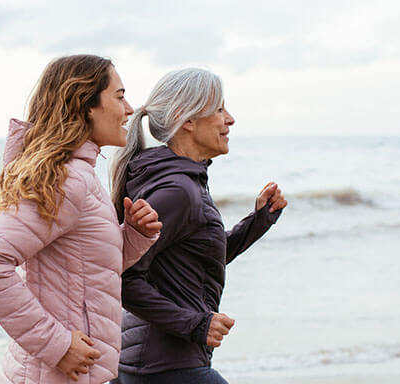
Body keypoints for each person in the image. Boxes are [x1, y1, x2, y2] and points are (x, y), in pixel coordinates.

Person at [0, 54, 162, 384]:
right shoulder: (68, 180)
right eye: (119, 96)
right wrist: (55, 344)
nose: (129, 109)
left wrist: (134, 236)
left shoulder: (80, 175)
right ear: (86, 105)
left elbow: (85, 272)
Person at [109, 68, 287, 384]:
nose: (229, 119)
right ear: (187, 119)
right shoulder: (177, 191)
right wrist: (195, 324)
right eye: (219, 108)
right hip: (164, 367)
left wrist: (257, 222)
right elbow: (119, 275)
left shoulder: (183, 182)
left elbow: (194, 261)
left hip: (154, 364)